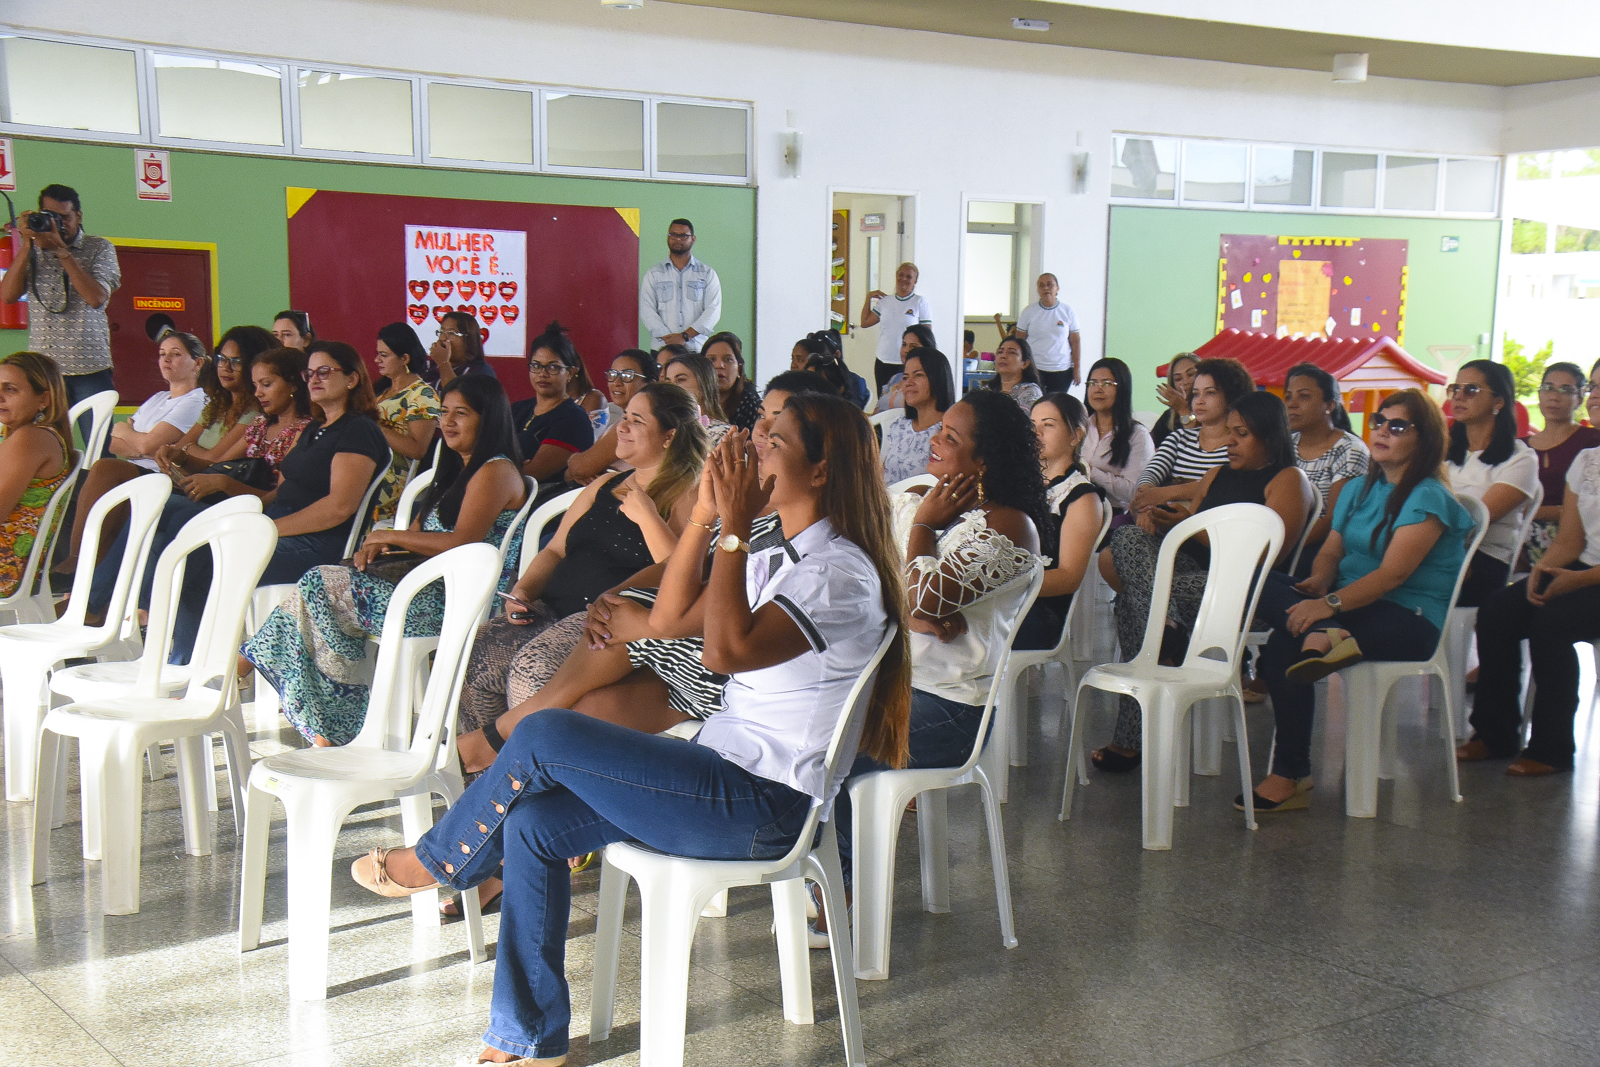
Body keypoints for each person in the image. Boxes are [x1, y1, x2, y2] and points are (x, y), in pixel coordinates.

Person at [349, 394, 907, 1067]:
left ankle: (438, 860)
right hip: (720, 773)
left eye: (776, 441)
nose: (755, 448)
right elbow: (672, 618)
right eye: (759, 434)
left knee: (545, 733)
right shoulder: (774, 547)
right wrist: (705, 515)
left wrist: (729, 527)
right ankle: (527, 1037)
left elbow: (723, 652)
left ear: (821, 471)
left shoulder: (836, 572)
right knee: (531, 826)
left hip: (763, 804)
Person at [244, 375, 528, 746]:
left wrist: (388, 534)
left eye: (462, 413)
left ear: (488, 419)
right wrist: (381, 548)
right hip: (422, 588)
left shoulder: (495, 470)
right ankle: (324, 725)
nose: (448, 421)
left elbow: (462, 542)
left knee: (320, 584)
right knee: (322, 588)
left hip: (453, 603)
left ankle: (303, 706)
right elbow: (420, 537)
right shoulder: (458, 469)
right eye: (444, 412)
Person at [1245, 390, 1473, 811]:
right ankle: (1322, 637)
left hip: (1409, 617)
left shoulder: (1428, 497)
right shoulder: (1357, 490)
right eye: (1379, 422)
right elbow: (1332, 550)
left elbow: (1393, 575)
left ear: (1423, 440)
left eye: (1397, 426)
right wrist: (1318, 582)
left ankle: (1289, 774)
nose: (1382, 431)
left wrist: (1328, 605)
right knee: (1258, 580)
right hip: (1348, 607)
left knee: (1281, 643)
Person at [456, 383, 706, 732]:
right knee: (470, 657)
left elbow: (680, 571)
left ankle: (533, 777)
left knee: (533, 673)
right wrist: (524, 591)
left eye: (636, 420)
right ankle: (485, 778)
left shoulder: (688, 494)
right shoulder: (603, 485)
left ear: (669, 436)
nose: (622, 426)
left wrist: (647, 515)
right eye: (625, 417)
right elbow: (556, 549)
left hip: (602, 624)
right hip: (549, 609)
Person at [1094, 391, 1310, 771]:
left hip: (1241, 592)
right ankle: (1167, 627)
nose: (1229, 441)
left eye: (1241, 434)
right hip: (1191, 579)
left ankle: (1132, 734)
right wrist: (1163, 521)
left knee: (1135, 603)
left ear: (1269, 435)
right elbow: (1190, 529)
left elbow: (1261, 555)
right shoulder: (1217, 475)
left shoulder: (1289, 480)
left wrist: (1185, 526)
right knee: (1127, 538)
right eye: (1229, 432)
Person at [171, 341, 388, 662]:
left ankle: (206, 665)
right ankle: (191, 660)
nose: (314, 379)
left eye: (324, 372)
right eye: (310, 372)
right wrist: (240, 508)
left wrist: (268, 529)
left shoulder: (358, 430)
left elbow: (339, 507)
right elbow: (275, 497)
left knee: (207, 557)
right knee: (190, 542)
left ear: (352, 379)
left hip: (319, 544)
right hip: (279, 530)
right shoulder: (312, 429)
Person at [92, 348, 315, 630]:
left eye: (267, 385)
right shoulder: (261, 424)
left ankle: (129, 606)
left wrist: (225, 484)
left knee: (169, 513)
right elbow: (221, 464)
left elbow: (276, 498)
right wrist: (182, 458)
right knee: (154, 515)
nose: (258, 393)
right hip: (228, 501)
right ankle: (134, 606)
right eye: (256, 385)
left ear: (294, 384)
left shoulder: (302, 431)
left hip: (254, 511)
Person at [1461, 373, 1600, 776]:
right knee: (1499, 611)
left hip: (1593, 581)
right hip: (1581, 568)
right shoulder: (1588, 460)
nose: (1594, 396)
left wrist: (1576, 580)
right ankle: (1495, 733)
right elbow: (1571, 540)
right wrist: (1544, 569)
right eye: (1593, 386)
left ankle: (1552, 748)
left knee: (1551, 624)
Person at [54, 330, 208, 582]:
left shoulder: (195, 401)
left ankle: (76, 558)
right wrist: (136, 441)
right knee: (86, 485)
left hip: (162, 478)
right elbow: (115, 441)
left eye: (176, 354)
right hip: (136, 473)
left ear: (198, 363)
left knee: (105, 468)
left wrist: (131, 434)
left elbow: (148, 445)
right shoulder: (157, 398)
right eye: (162, 354)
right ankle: (92, 590)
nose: (166, 360)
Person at [0, 185, 121, 411]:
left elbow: (96, 298)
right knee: (46, 440)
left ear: (78, 215)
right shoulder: (33, 251)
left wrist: (62, 251)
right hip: (43, 370)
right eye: (51, 217)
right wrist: (27, 245)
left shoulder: (99, 248)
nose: (59, 224)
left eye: (65, 217)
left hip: (90, 366)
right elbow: (7, 296)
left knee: (99, 441)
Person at [1015, 392, 1106, 650]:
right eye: (1032, 426)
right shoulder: (1022, 486)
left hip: (1040, 612)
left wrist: (1003, 587)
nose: (1037, 433)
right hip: (1009, 601)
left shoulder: (1082, 498)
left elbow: (1068, 577)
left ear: (1075, 436)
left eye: (1048, 425)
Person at [1445, 360, 1539, 608]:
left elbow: (1476, 519)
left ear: (1499, 401)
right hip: (1431, 546)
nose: (1459, 396)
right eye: (1456, 388)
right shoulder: (1442, 449)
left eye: (1471, 390)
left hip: (1482, 558)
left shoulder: (1521, 459)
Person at [1131, 357, 1252, 518]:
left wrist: (1165, 493)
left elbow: (1225, 486)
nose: (1200, 401)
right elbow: (1150, 474)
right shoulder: (1180, 438)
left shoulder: (1240, 444)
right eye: (1196, 394)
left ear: (1231, 397)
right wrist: (1147, 505)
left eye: (1210, 393)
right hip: (1165, 521)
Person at [0, 352, 76, 597]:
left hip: (7, 567)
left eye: (10, 389)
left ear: (44, 399)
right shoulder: (38, 436)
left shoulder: (30, 438)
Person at [1283, 362, 1369, 573]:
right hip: (1286, 537)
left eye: (1303, 396)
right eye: (1288, 396)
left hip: (1324, 547)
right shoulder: (1286, 444)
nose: (1292, 404)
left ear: (1330, 405)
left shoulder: (1350, 449)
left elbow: (1333, 519)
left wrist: (1282, 546)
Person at [1521, 361, 1599, 568]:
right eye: (1548, 388)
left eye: (1566, 390)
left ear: (1579, 398)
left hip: (1576, 535)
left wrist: (1531, 512)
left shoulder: (1592, 443)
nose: (1554, 397)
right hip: (1519, 533)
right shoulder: (1519, 447)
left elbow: (1587, 507)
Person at [371, 321, 441, 527]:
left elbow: (417, 449)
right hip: (372, 463)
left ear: (404, 358)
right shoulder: (382, 390)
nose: (377, 360)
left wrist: (375, 427)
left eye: (384, 355)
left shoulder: (422, 395)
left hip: (391, 478)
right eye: (378, 354)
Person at [511, 322, 595, 483]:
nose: (543, 374)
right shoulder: (518, 409)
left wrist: (506, 467)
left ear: (570, 372)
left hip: (543, 502)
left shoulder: (573, 419)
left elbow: (532, 475)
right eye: (536, 366)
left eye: (553, 367)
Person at [566, 350, 657, 486]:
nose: (617, 382)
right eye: (613, 374)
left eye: (627, 375)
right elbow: (574, 472)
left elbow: (580, 468)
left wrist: (572, 460)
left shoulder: (636, 422)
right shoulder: (620, 420)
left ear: (651, 384)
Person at [181, 324, 274, 453]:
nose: (226, 367)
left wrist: (186, 450)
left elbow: (213, 459)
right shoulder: (217, 406)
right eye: (222, 359)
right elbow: (180, 446)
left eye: (236, 361)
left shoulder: (255, 413)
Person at [1081, 357, 1154, 512]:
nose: (1098, 389)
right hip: (1076, 505)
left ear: (1122, 388)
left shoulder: (1137, 435)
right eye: (1092, 383)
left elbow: (1134, 492)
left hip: (1114, 512)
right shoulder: (1079, 427)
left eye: (1107, 383)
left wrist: (1089, 470)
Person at [639, 218, 721, 352]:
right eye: (673, 235)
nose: (677, 239)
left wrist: (685, 336)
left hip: (696, 349)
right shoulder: (654, 273)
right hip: (662, 349)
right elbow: (647, 310)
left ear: (693, 239)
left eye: (683, 236)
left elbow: (713, 310)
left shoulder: (707, 274)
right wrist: (669, 339)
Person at [881, 347, 955, 484]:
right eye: (905, 377)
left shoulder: (949, 432)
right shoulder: (899, 426)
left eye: (918, 375)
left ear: (937, 378)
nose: (908, 383)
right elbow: (883, 472)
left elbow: (941, 483)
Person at [861, 261, 933, 394]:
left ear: (915, 281)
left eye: (909, 277)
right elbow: (865, 322)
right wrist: (868, 298)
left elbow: (926, 334)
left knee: (905, 399)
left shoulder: (920, 302)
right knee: (883, 400)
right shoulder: (885, 302)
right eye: (901, 275)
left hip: (908, 362)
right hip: (884, 360)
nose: (904, 279)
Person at [1012, 273, 1081, 392]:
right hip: (1035, 368)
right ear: (1038, 290)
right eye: (1041, 285)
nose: (1046, 288)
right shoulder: (1029, 312)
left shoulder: (1067, 311)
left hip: (1062, 369)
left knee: (1057, 405)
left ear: (1057, 288)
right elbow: (1019, 342)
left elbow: (1075, 341)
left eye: (1050, 285)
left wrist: (1077, 368)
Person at [660, 351, 732, 447]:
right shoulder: (664, 430)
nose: (673, 387)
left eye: (681, 380)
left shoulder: (723, 434)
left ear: (703, 383)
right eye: (668, 382)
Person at [703, 331, 761, 431]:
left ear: (739, 369)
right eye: (711, 359)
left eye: (728, 359)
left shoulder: (753, 408)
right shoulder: (691, 404)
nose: (719, 365)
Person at [873, 324, 937, 414]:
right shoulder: (895, 379)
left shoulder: (929, 380)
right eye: (904, 344)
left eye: (913, 346)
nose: (906, 350)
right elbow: (877, 410)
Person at [429, 311, 495, 386]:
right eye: (441, 332)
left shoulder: (482, 371)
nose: (443, 338)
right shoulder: (430, 366)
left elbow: (455, 394)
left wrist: (443, 363)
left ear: (469, 340)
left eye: (451, 333)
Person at [1149, 353, 1199, 449]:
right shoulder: (1169, 416)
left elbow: (1196, 448)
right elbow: (1151, 449)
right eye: (1178, 379)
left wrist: (1184, 410)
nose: (1185, 382)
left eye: (1191, 374)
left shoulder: (1212, 411)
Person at [984, 335, 1043, 409]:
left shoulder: (1031, 392)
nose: (1003, 356)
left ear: (1025, 364)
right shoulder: (987, 390)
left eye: (1012, 352)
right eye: (1000, 352)